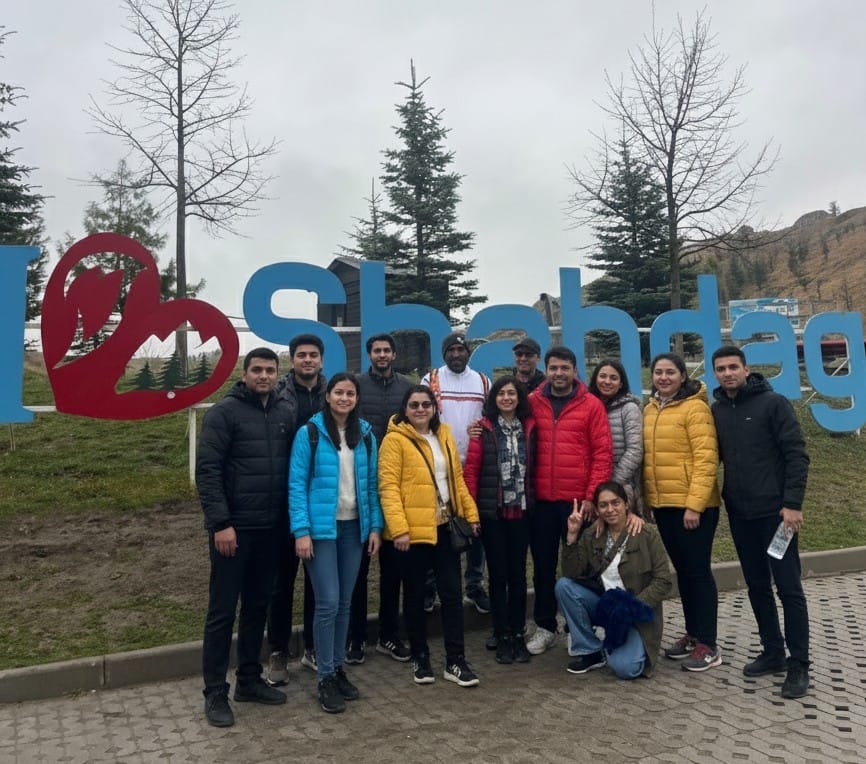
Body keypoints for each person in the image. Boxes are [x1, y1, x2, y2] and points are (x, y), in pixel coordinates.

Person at [196, 348, 295, 727]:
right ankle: (215, 692)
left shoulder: (284, 413)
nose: (264, 376)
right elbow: (207, 471)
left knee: (258, 607)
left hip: (271, 529)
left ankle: (249, 681)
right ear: (244, 373)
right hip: (233, 531)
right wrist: (220, 523)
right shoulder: (224, 413)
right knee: (222, 612)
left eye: (271, 370)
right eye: (257, 370)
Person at [711, 345, 811, 698]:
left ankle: (799, 663)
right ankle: (773, 651)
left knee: (789, 589)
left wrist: (792, 504)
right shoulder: (718, 410)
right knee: (756, 585)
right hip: (741, 514)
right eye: (721, 368)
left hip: (776, 514)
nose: (727, 373)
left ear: (746, 368)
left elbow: (797, 455)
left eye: (733, 367)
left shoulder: (774, 404)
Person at [289, 372, 384, 713]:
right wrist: (301, 531)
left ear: (357, 399)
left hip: (354, 528)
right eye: (338, 392)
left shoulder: (368, 436)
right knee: (327, 602)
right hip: (321, 532)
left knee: (344, 603)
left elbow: (372, 486)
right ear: (327, 396)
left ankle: (338, 666)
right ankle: (324, 676)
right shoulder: (309, 433)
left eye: (350, 393)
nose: (344, 398)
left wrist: (375, 528)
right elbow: (297, 485)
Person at [378, 385, 482, 687]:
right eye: (414, 405)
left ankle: (456, 660)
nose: (421, 409)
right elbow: (388, 488)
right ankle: (420, 657)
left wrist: (471, 515)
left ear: (434, 408)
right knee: (414, 597)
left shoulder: (444, 435)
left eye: (426, 404)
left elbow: (456, 480)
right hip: (412, 534)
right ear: (404, 409)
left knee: (451, 595)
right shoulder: (393, 441)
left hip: (446, 527)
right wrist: (398, 529)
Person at [525, 345, 614, 655]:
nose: (559, 374)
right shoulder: (533, 402)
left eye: (565, 368)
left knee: (584, 566)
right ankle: (546, 626)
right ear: (546, 370)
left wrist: (592, 497)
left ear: (575, 371)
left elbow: (602, 454)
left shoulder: (591, 405)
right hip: (542, 503)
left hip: (578, 503)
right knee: (543, 567)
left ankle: (585, 624)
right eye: (553, 368)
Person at [643, 352, 722, 673]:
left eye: (670, 372)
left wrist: (695, 505)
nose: (664, 378)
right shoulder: (649, 409)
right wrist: (648, 500)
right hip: (664, 506)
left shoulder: (695, 408)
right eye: (658, 372)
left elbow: (706, 460)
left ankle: (709, 644)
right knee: (685, 571)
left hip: (693, 507)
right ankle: (693, 634)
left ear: (682, 376)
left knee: (698, 572)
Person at [555, 481, 672, 678]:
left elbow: (663, 581)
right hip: (604, 605)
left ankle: (625, 643)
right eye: (603, 505)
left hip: (634, 613)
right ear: (598, 509)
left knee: (627, 669)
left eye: (615, 503)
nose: (610, 509)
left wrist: (631, 607)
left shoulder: (647, 534)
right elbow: (572, 572)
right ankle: (591, 651)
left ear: (626, 504)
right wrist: (572, 536)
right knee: (564, 587)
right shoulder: (593, 533)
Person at [347, 333, 413, 664]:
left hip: (397, 487)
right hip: (360, 484)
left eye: (387, 350)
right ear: (369, 354)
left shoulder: (406, 387)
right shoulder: (356, 385)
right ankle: (355, 638)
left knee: (393, 569)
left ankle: (388, 634)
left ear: (394, 354)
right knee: (356, 570)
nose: (382, 355)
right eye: (377, 351)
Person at [267, 334, 326, 685]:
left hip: (321, 496)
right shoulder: (276, 394)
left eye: (313, 355)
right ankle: (278, 651)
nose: (307, 360)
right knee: (281, 582)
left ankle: (314, 648)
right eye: (301, 355)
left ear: (321, 360)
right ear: (292, 360)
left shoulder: (335, 392)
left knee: (318, 580)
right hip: (283, 497)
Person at [463, 376, 535, 664]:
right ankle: (500, 631)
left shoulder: (530, 428)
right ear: (493, 399)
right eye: (501, 393)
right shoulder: (483, 429)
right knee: (498, 575)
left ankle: (517, 632)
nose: (506, 398)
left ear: (519, 397)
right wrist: (472, 511)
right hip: (493, 514)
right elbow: (471, 471)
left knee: (518, 575)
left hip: (522, 512)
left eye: (512, 393)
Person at [422, 332, 491, 614]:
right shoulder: (431, 380)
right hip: (439, 467)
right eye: (451, 350)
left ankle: (474, 585)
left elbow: (490, 417)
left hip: (474, 466)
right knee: (436, 528)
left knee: (475, 528)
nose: (456, 355)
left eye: (461, 350)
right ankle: (431, 587)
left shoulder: (483, 381)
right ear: (444, 353)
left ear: (468, 352)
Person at [589, 359, 645, 516]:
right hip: (591, 485)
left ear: (621, 384)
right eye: (603, 376)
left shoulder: (629, 409)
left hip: (620, 486)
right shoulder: (588, 406)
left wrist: (612, 484)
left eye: (613, 378)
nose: (607, 381)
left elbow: (635, 450)